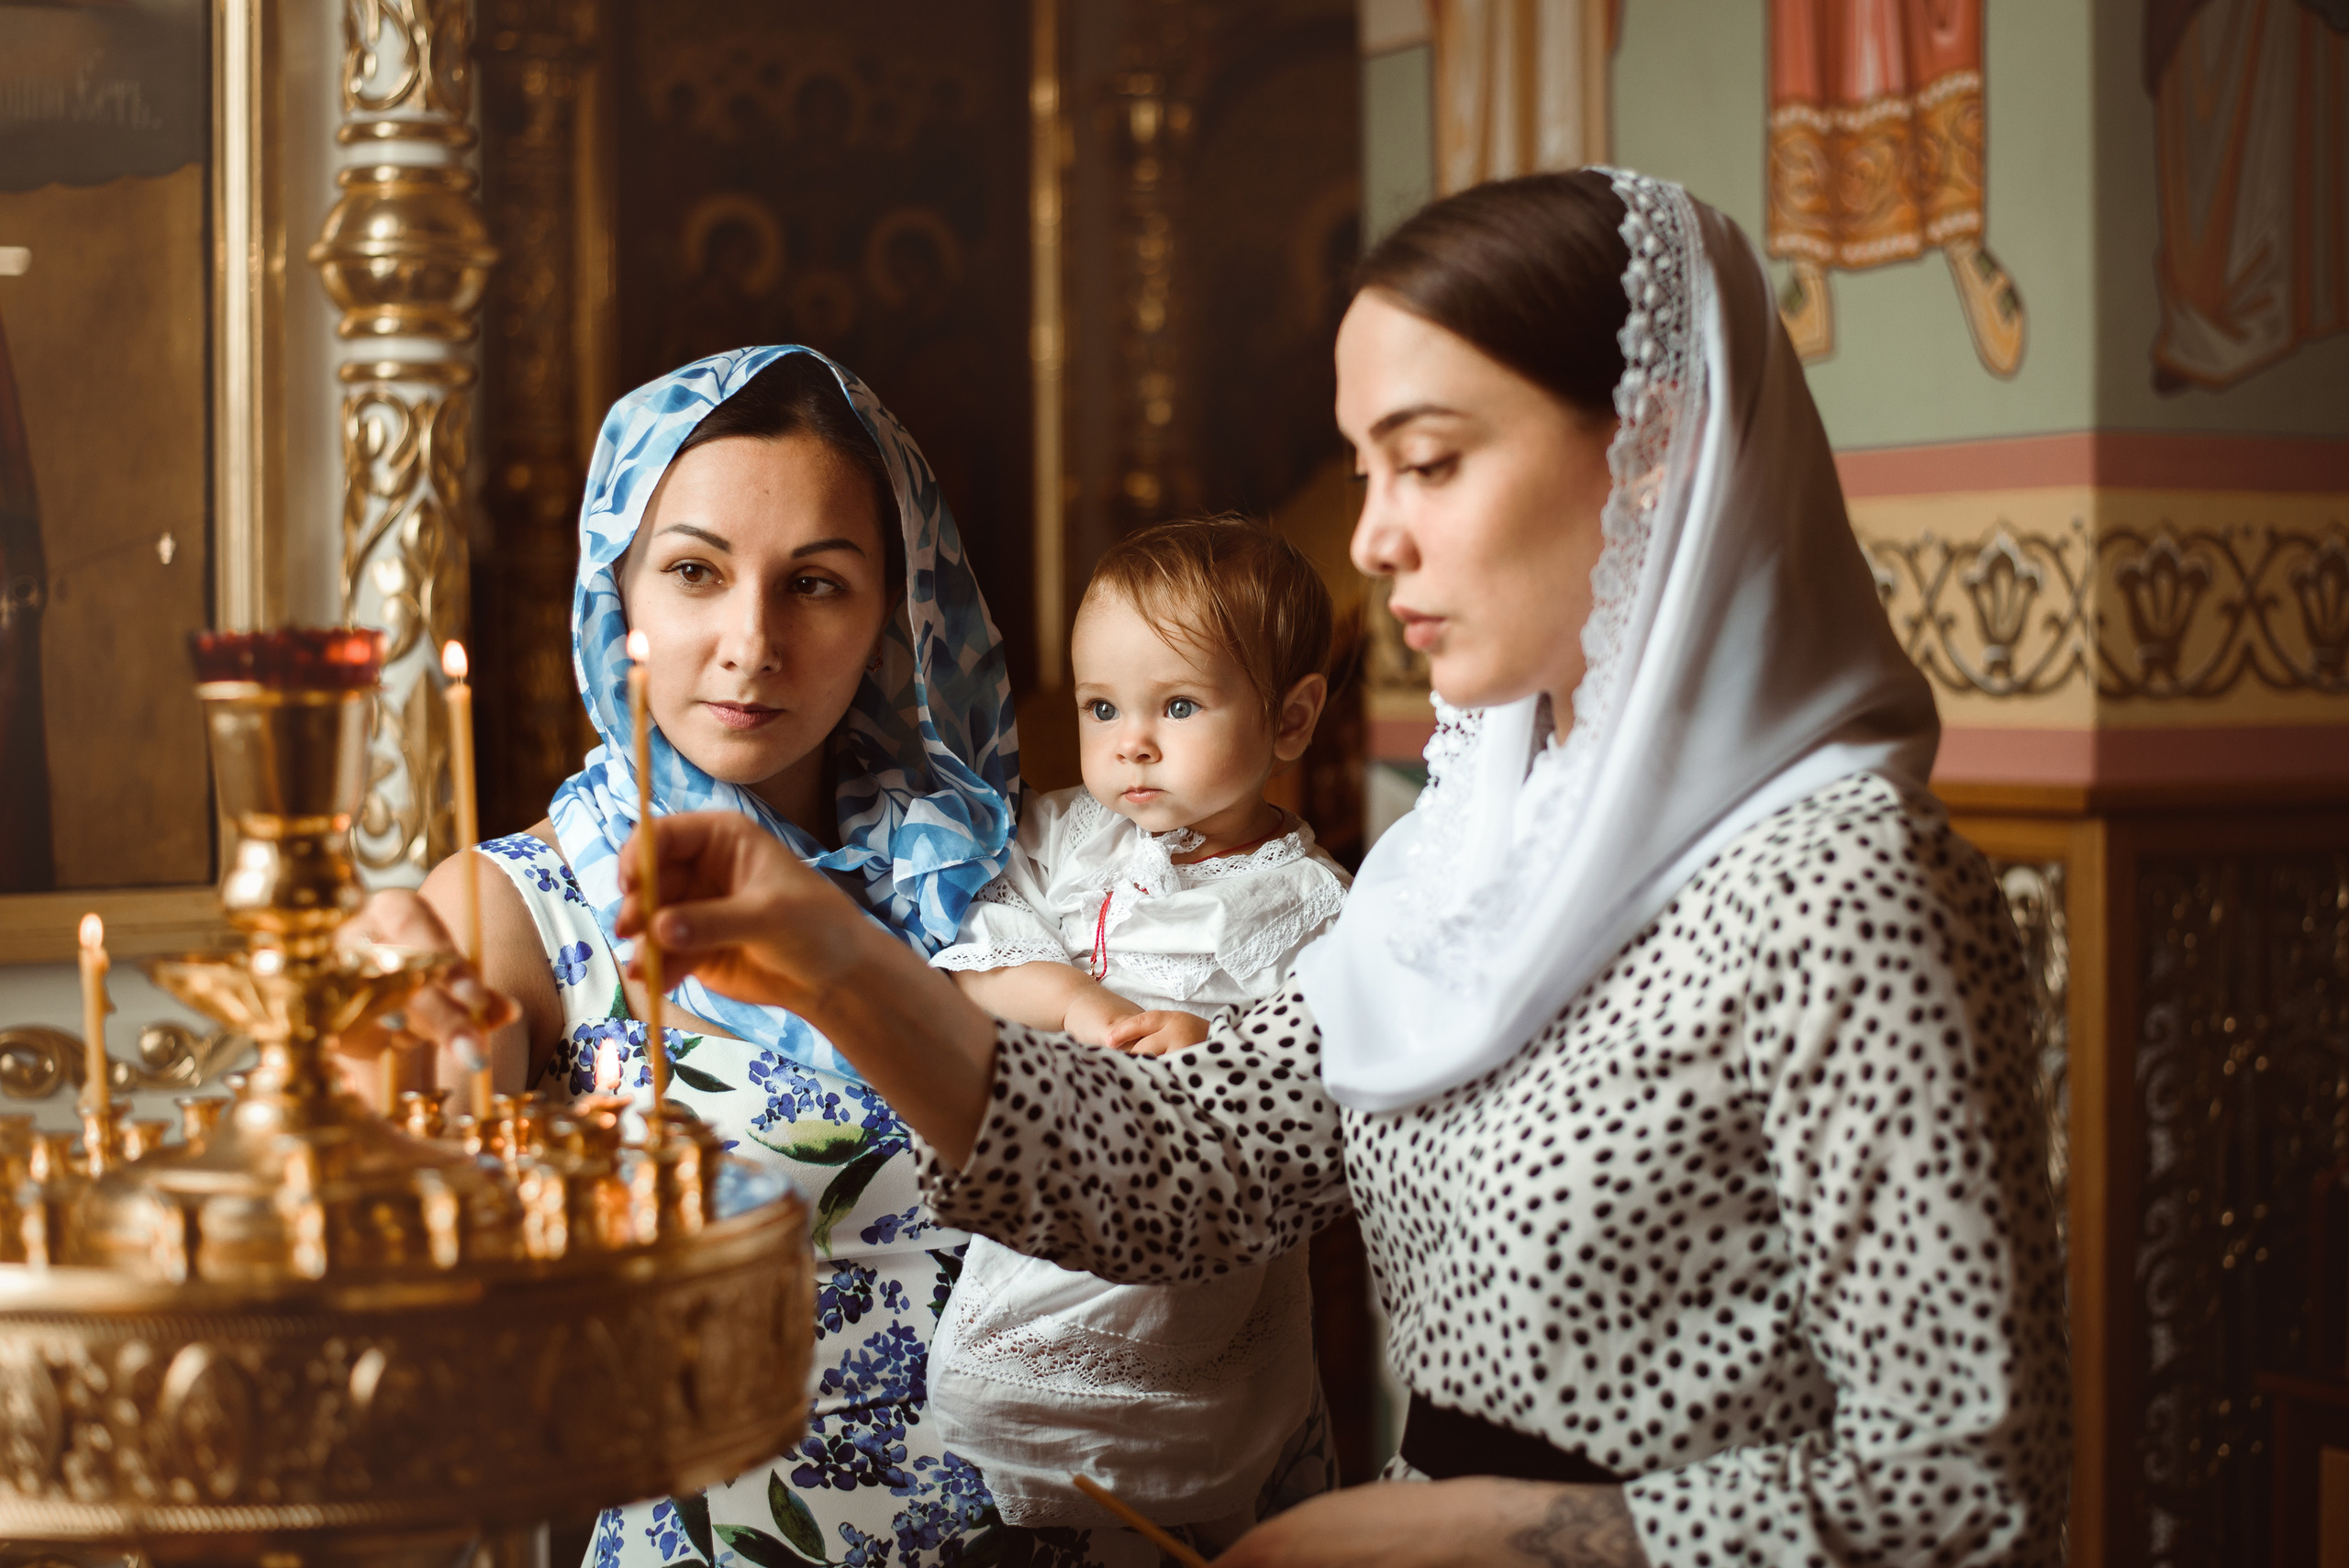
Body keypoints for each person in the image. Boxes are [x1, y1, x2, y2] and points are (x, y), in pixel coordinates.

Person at [596, 169, 2072, 1567]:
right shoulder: (1455, 856)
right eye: (1368, 467)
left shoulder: (1844, 884)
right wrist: (846, 964)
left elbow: (1966, 1484)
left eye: (1428, 461)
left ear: (1651, 445)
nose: (1372, 536)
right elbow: (1182, 1169)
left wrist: (1508, 1540)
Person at [353, 345, 1090, 1567]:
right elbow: (413, 1287)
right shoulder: (520, 912)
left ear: (896, 613)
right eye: (695, 572)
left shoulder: (995, 871)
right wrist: (370, 1044)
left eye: (816, 583)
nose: (753, 641)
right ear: (619, 593)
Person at [924, 518, 1349, 1541]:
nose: (1131, 741)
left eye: (1179, 704)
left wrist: (1204, 1042)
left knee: (1174, 1460)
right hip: (1040, 1217)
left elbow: (1316, 1102)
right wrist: (1079, 1003)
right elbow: (975, 956)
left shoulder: (1310, 906)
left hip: (1180, 1250)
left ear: (1291, 719)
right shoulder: (1068, 836)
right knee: (1010, 1435)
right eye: (1102, 705)